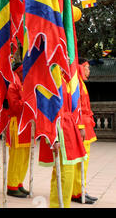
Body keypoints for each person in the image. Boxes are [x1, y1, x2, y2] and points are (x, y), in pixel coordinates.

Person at [38, 69, 87, 208]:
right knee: (64, 172)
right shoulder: (49, 77)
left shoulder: (63, 78)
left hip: (68, 125)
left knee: (66, 170)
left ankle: (60, 204)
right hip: (58, 126)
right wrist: (51, 136)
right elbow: (44, 108)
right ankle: (59, 205)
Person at [71, 59, 98, 204]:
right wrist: (80, 126)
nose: (89, 70)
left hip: (87, 124)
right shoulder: (77, 84)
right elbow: (77, 107)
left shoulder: (81, 83)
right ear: (80, 68)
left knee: (84, 162)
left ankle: (82, 189)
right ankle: (77, 191)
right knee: (80, 161)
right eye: (86, 67)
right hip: (82, 126)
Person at [4, 63, 31, 198]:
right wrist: (28, 99)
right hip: (17, 123)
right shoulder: (12, 86)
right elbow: (15, 107)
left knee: (24, 157)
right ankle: (12, 185)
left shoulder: (24, 85)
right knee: (16, 157)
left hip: (26, 125)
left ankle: (19, 183)